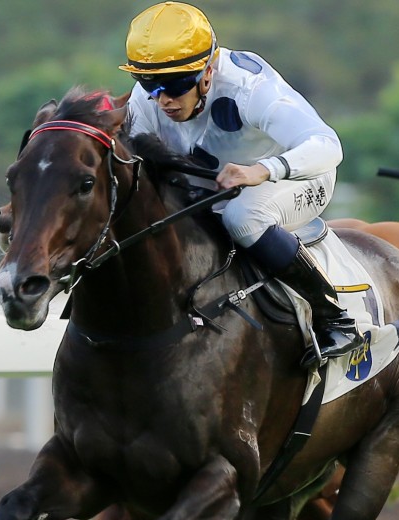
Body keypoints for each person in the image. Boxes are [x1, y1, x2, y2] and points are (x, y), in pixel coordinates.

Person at [120, 2, 360, 365]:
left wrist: (262, 171)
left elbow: (327, 146)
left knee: (242, 217)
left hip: (297, 178)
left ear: (208, 71)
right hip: (213, 190)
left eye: (176, 85)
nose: (164, 100)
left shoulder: (251, 88)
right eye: (150, 85)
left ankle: (332, 316)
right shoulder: (149, 99)